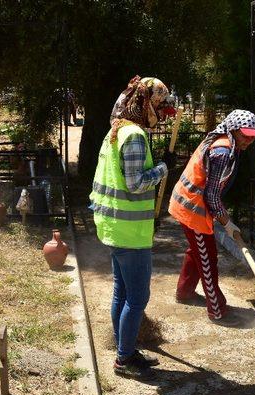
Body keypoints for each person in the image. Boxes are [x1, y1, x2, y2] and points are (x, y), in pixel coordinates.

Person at [89, 76, 177, 379]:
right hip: (129, 232)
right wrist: (165, 165)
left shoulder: (115, 131)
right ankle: (124, 358)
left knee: (122, 292)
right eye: (159, 105)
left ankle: (123, 347)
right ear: (145, 104)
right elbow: (136, 182)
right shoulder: (135, 136)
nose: (162, 113)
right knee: (137, 298)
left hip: (114, 225)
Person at [168, 110, 255, 325]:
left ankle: (185, 292)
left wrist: (223, 217)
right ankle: (217, 311)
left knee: (197, 250)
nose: (249, 140)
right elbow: (211, 195)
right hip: (193, 210)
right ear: (233, 130)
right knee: (207, 258)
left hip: (190, 204)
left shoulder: (226, 142)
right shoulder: (221, 151)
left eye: (252, 136)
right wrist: (227, 222)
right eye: (245, 135)